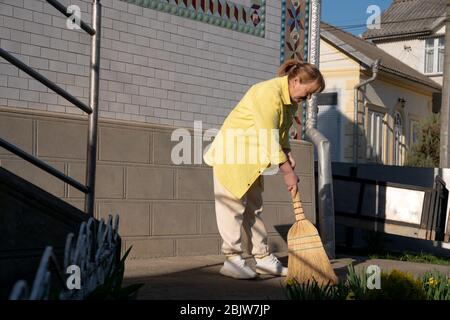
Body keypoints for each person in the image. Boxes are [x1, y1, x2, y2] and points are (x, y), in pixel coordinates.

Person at [203, 59, 326, 279]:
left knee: (254, 209)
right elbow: (267, 136)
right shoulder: (268, 93)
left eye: (311, 96)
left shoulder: (290, 102)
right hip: (232, 155)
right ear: (296, 80)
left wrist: (287, 151)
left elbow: (280, 133)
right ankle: (232, 259)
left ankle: (263, 258)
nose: (307, 99)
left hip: (252, 160)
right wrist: (287, 171)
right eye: (308, 93)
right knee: (232, 209)